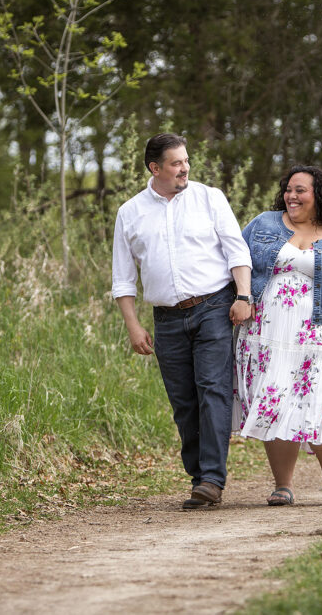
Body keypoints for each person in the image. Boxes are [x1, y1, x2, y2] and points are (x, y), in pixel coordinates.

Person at [112, 133, 253, 510]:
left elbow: (236, 249)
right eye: (176, 163)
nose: (184, 168)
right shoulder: (130, 212)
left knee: (212, 389)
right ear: (155, 168)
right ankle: (198, 476)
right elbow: (123, 278)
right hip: (166, 319)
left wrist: (243, 295)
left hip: (214, 307)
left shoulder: (210, 198)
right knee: (183, 402)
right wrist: (133, 324)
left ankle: (210, 479)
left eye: (186, 161)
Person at [232, 165, 322, 505]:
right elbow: (235, 260)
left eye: (300, 190)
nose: (291, 196)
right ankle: (283, 484)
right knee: (275, 398)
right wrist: (239, 298)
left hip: (321, 335)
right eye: (288, 189)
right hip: (267, 335)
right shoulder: (263, 224)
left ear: (318, 195)